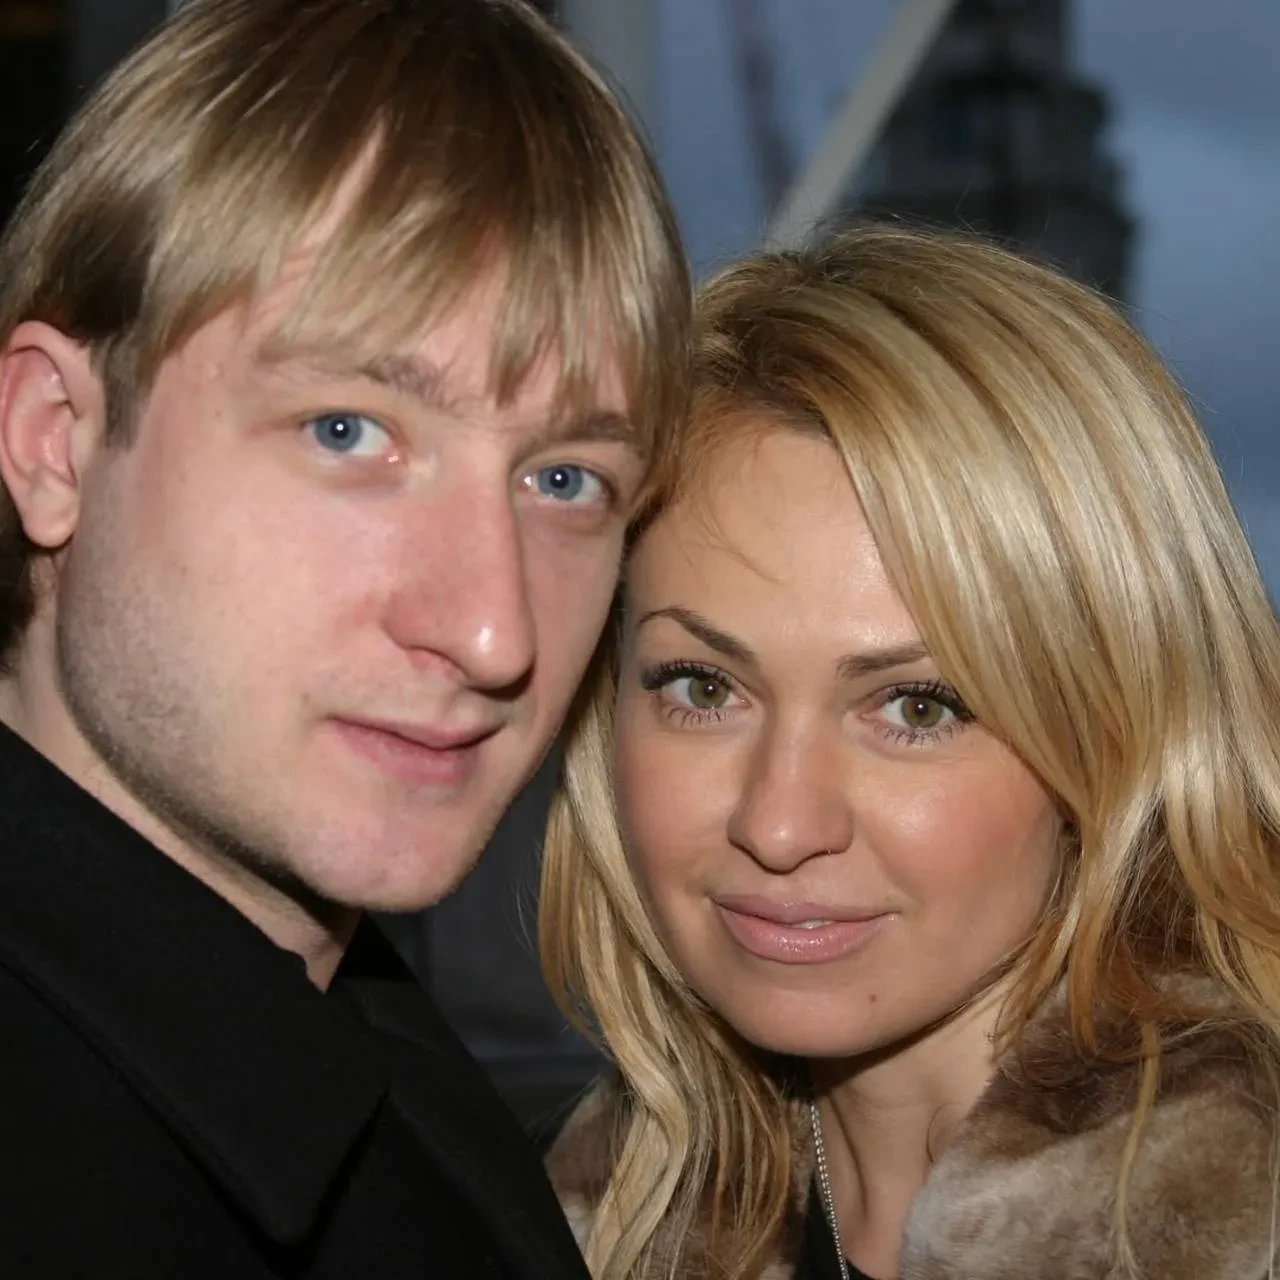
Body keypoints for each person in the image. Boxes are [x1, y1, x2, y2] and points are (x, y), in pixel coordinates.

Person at [0, 0, 689, 1275]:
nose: (492, 630)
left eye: (562, 480)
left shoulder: (361, 1063)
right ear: (54, 440)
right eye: (347, 433)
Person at [540, 224, 1280, 1280]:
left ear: (1116, 731)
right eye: (703, 688)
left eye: (916, 707)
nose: (778, 824)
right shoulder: (571, 1220)